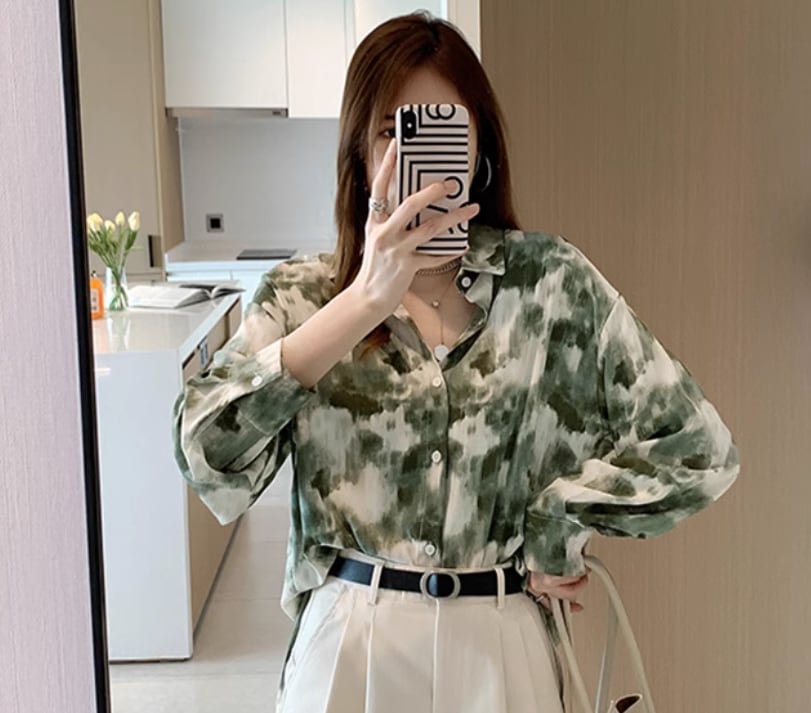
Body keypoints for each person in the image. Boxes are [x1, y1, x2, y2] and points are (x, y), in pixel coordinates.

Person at [172, 13, 739, 713]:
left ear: (478, 151)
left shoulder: (551, 284)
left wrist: (560, 517)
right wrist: (362, 300)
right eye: (392, 131)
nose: (415, 155)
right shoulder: (302, 296)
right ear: (358, 153)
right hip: (350, 641)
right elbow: (205, 454)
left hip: (502, 642)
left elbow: (698, 446)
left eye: (442, 129)